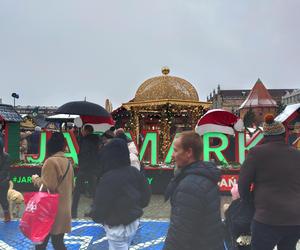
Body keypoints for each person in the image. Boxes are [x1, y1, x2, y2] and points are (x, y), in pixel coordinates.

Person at [238, 114, 300, 250]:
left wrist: (249, 203)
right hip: (295, 219)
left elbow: (243, 184)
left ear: (264, 136)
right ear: (284, 135)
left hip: (266, 218)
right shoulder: (297, 154)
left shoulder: (256, 153)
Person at [163, 131, 223, 250]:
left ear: (189, 152)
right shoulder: (205, 177)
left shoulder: (189, 186)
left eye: (175, 150)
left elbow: (179, 234)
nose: (172, 155)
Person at [92, 138, 151, 250]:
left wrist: (97, 217)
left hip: (116, 226)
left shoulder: (107, 178)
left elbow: (100, 204)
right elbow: (146, 196)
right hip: (132, 222)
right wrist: (134, 207)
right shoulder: (134, 172)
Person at [32, 132, 74, 250]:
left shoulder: (51, 162)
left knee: (40, 244)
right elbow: (72, 186)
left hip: (50, 211)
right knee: (58, 242)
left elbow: (48, 186)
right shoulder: (68, 162)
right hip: (64, 209)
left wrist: (35, 179)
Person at [72, 124, 100, 218]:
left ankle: (73, 213)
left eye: (83, 130)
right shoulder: (96, 141)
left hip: (84, 169)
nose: (82, 132)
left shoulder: (85, 141)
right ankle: (96, 212)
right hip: (93, 169)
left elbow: (84, 155)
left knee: (77, 192)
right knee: (94, 191)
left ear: (86, 131)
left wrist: (81, 166)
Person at [0, 137, 11, 222]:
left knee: (3, 199)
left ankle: (7, 216)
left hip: (3, 181)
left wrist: (4, 180)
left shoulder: (6, 156)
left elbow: (5, 170)